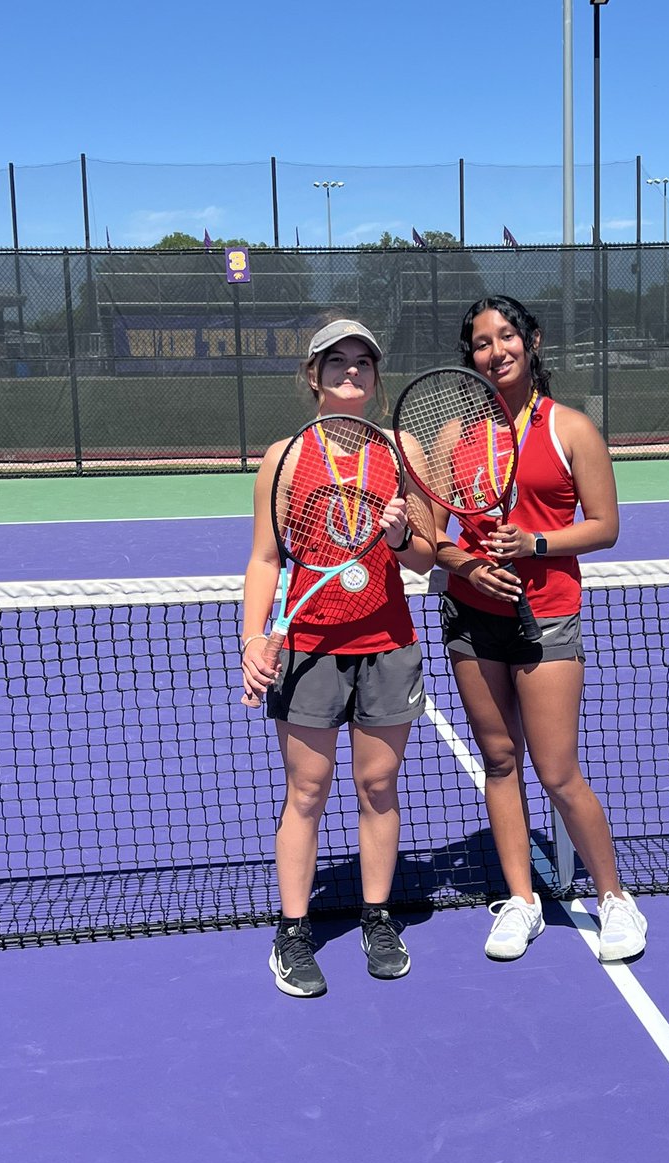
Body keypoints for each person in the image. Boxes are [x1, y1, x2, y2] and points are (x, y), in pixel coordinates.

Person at [434, 296, 647, 962]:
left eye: (505, 337)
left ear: (532, 342)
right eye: (479, 343)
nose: (494, 351)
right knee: (500, 762)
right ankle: (521, 900)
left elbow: (604, 526)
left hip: (548, 615)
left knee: (556, 772)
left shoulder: (572, 429)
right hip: (473, 620)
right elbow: (428, 538)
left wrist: (536, 543)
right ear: (468, 356)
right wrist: (468, 566)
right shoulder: (453, 439)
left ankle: (613, 898)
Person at [242, 318, 435, 998]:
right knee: (308, 792)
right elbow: (266, 558)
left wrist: (403, 531)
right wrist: (253, 639)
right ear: (314, 376)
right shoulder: (285, 457)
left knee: (379, 788)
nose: (350, 372)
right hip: (309, 650)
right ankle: (293, 931)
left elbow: (424, 559)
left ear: (377, 378)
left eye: (363, 363)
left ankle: (377, 917)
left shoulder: (403, 448)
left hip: (387, 645)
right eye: (337, 362)